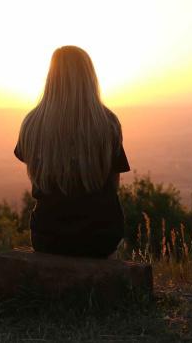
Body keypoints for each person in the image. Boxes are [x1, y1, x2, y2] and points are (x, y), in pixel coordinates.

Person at [14, 45, 130, 258]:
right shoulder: (108, 123)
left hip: (48, 237)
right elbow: (113, 186)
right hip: (100, 237)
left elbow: (36, 176)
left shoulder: (31, 124)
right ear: (89, 77)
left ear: (51, 77)